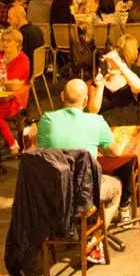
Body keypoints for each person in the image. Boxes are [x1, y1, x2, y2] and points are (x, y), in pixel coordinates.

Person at [35, 79, 123, 212]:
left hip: (53, 191)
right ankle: (97, 232)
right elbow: (114, 152)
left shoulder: (47, 120)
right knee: (117, 186)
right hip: (84, 194)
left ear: (62, 96)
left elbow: (41, 149)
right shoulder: (96, 121)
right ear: (86, 100)